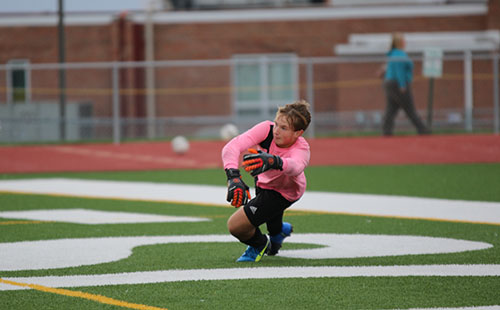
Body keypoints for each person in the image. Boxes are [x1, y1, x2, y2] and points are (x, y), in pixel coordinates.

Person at [221, 100, 311, 262]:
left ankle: (259, 244)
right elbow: (232, 147)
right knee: (272, 222)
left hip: (285, 192)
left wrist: (274, 161)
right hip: (263, 181)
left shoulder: (301, 148)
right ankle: (278, 232)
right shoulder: (267, 129)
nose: (276, 131)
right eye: (276, 124)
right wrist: (233, 176)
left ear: (298, 133)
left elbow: (296, 167)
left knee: (235, 226)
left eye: (283, 128)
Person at [380, 32, 429, 136]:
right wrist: (402, 85)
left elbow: (389, 67)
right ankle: (422, 130)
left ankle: (386, 131)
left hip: (389, 83)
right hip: (397, 83)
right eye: (403, 40)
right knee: (409, 108)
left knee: (391, 109)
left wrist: (383, 71)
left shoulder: (392, 54)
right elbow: (399, 71)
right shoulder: (399, 54)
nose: (405, 42)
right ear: (400, 42)